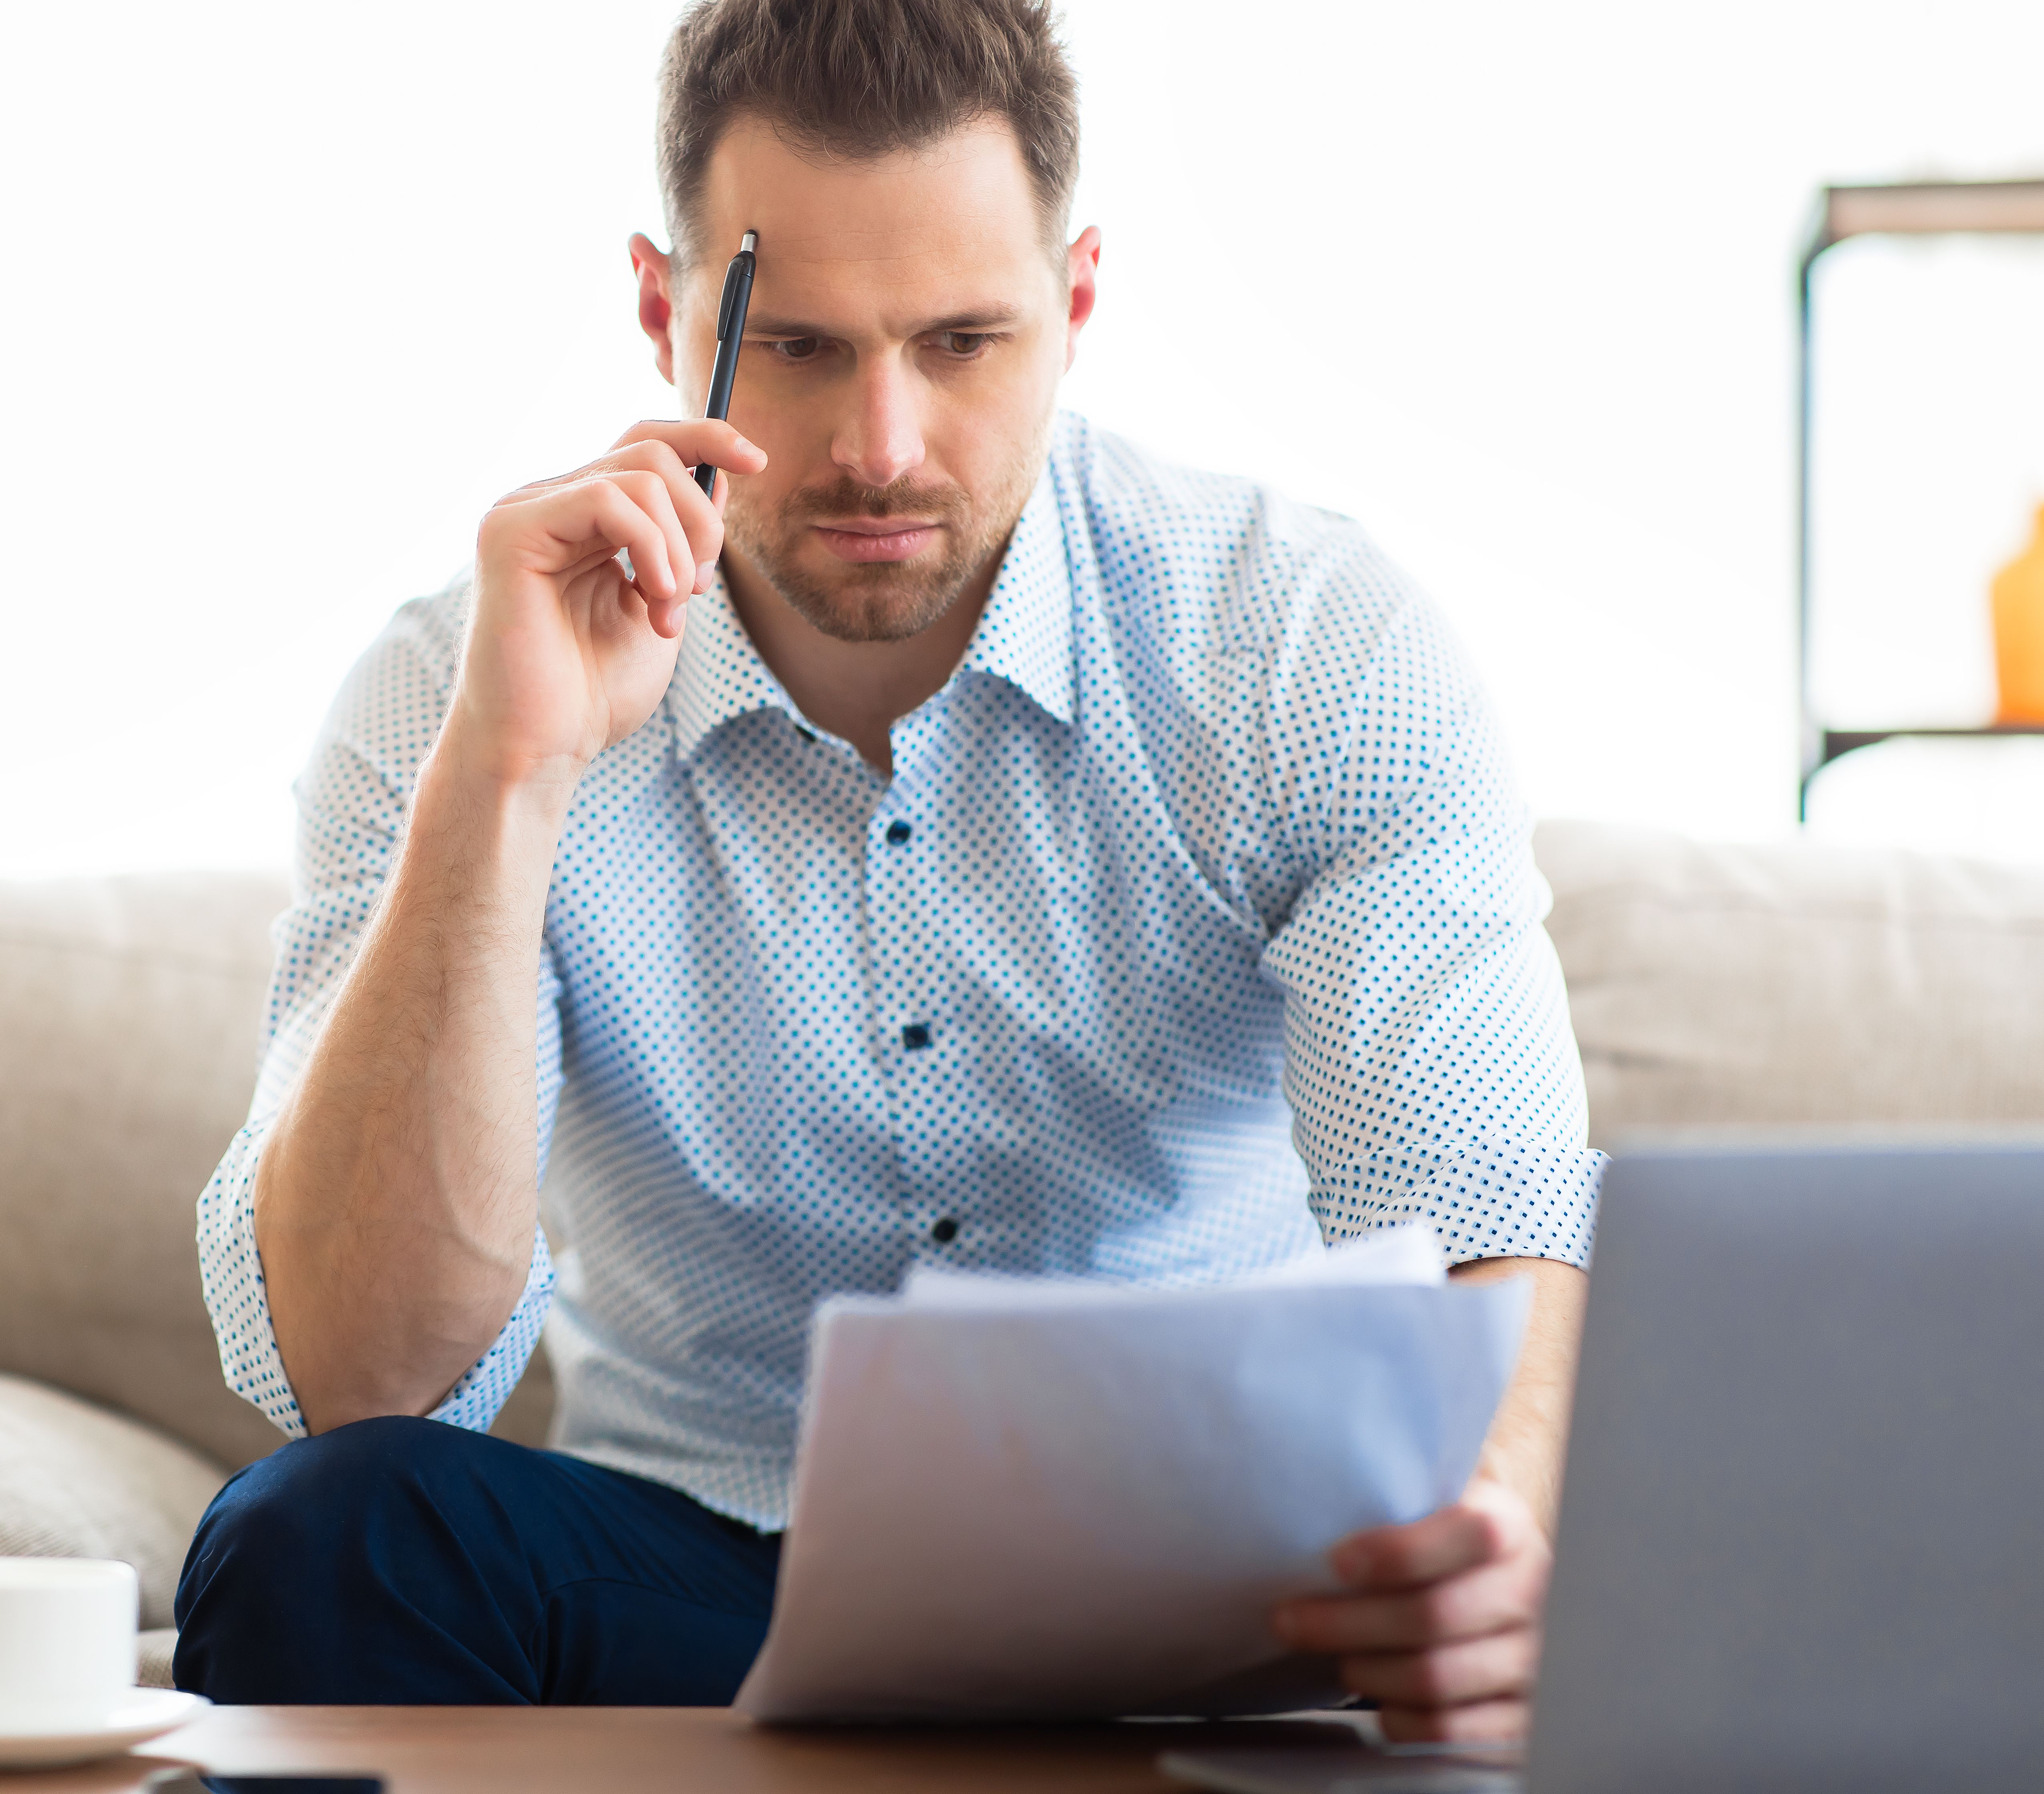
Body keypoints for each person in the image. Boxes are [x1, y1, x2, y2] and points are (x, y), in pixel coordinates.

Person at [174, 0, 1595, 1744]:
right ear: (663, 310)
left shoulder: (1304, 645)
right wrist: (510, 779)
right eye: (799, 348)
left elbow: (1488, 1214)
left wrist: (1500, 1529)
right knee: (328, 1534)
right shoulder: (449, 697)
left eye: (963, 342)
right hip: (706, 1564)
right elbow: (359, 1379)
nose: (882, 447)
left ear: (1075, 309)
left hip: (1215, 1579)